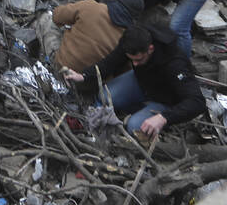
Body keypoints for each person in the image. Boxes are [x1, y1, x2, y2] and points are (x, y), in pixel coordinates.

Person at [66, 24, 206, 139]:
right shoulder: (132, 40)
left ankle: (139, 113)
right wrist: (84, 75)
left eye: (139, 60)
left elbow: (197, 102)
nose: (135, 64)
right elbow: (111, 62)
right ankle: (129, 110)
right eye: (131, 60)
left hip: (165, 100)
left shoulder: (174, 63)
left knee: (134, 128)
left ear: (150, 49)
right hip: (141, 82)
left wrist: (164, 118)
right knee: (104, 96)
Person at [51, 0, 145, 74]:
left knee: (46, 18)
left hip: (61, 65)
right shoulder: (129, 39)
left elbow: (56, 16)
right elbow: (123, 71)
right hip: (86, 86)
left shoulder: (91, 6)